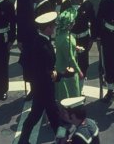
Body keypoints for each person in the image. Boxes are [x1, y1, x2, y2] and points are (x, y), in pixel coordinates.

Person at [19, 12, 74, 144]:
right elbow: (44, 72)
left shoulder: (39, 41)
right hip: (44, 88)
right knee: (48, 117)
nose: (54, 28)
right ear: (47, 28)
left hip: (40, 87)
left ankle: (23, 141)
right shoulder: (42, 46)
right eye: (52, 26)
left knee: (45, 117)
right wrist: (63, 74)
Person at [60, 0, 96, 93]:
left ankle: (80, 89)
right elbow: (61, 25)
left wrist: (92, 39)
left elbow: (94, 22)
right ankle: (70, 89)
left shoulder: (88, 4)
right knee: (69, 64)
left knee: (83, 64)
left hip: (84, 40)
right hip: (70, 39)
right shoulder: (65, 5)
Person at [55, 7, 82, 101]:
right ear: (69, 25)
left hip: (60, 69)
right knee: (70, 97)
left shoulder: (60, 34)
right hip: (67, 72)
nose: (74, 22)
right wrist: (79, 71)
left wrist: (75, 48)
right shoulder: (67, 39)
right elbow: (70, 58)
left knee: (61, 96)